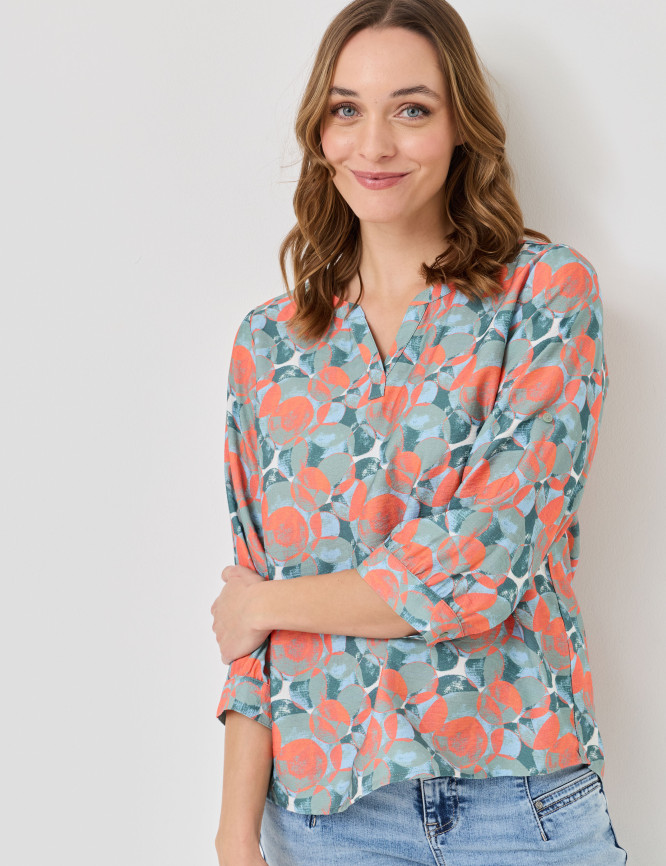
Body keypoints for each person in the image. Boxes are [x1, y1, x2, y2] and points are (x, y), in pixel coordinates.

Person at [210, 1, 627, 863]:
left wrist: (266, 603)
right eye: (347, 109)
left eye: (411, 108)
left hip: (520, 799)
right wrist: (233, 834)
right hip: (326, 815)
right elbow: (252, 641)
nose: (374, 145)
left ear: (460, 125)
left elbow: (482, 561)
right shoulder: (269, 344)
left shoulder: (545, 297)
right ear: (320, 132)